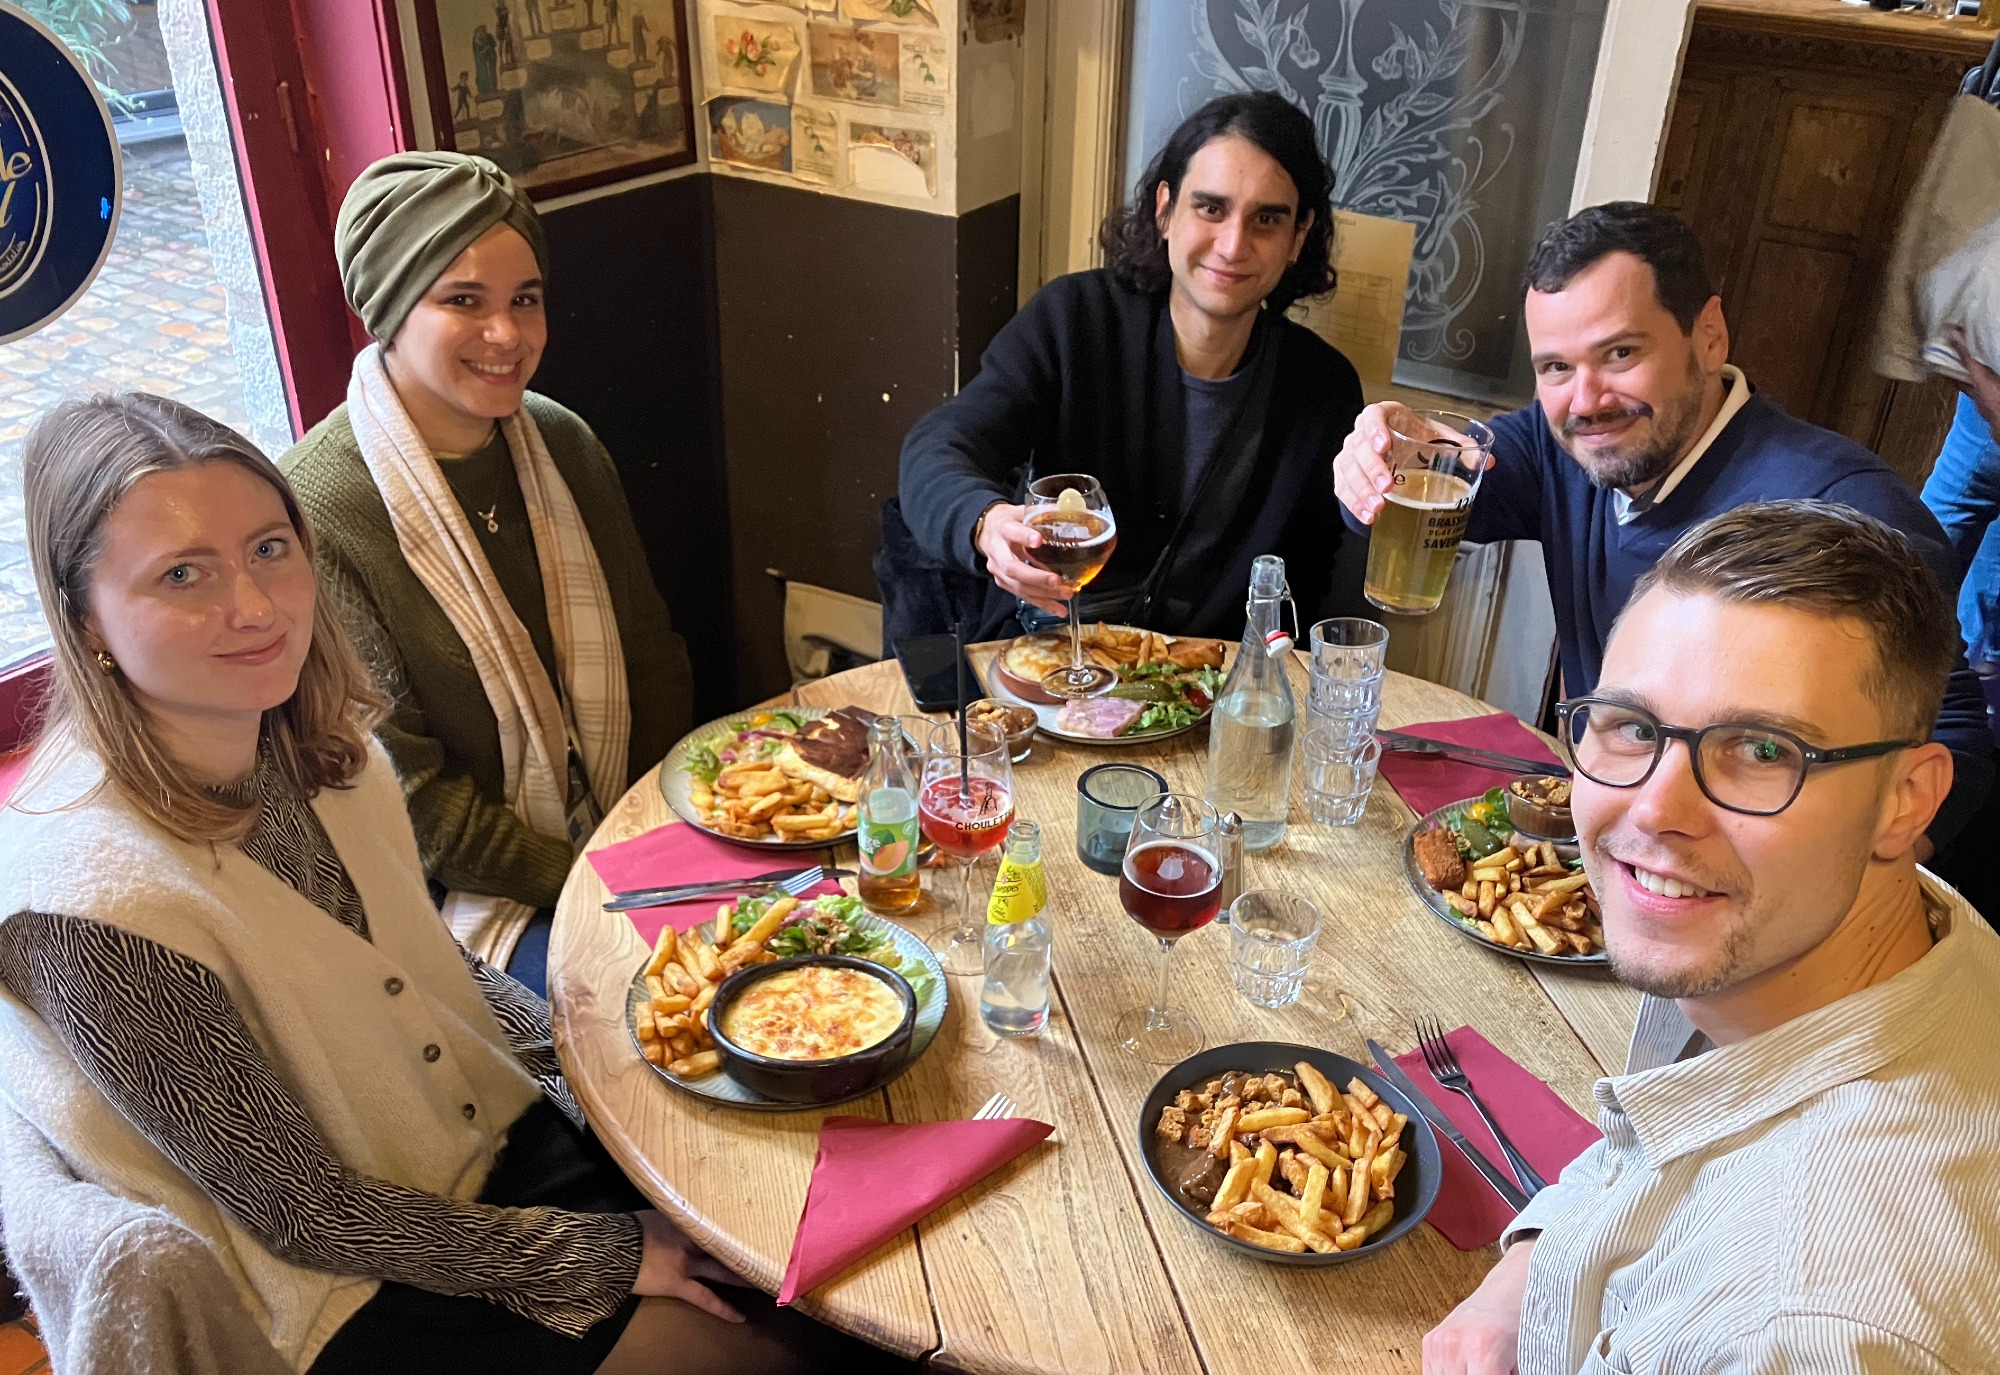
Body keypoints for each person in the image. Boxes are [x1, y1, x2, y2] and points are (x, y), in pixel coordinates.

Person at [0, 394, 899, 1374]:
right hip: (341, 1282)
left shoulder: (323, 752)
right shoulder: (92, 903)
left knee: (822, 1250)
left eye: (268, 548)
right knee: (790, 1345)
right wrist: (602, 1253)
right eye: (183, 573)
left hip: (468, 1147)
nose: (254, 606)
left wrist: (597, 1064)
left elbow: (431, 964)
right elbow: (302, 1212)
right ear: (83, 618)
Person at [1423, 500, 2000, 1374]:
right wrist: (1535, 1264)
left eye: (1764, 750)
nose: (1657, 807)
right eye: (1632, 726)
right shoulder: (1863, 919)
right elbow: (1661, 1155)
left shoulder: (1801, 1326)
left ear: (1906, 800)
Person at [1334, 201, 1993, 848]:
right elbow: (1413, 502)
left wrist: (1833, 883)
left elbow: (1952, 744)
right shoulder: (1558, 448)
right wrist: (1378, 461)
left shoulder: (1845, 509)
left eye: (1620, 353)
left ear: (1709, 336)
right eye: (1556, 367)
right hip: (1606, 844)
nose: (1586, 401)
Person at [282, 152, 693, 991]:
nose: (507, 335)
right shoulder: (319, 510)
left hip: (627, 833)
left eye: (525, 300)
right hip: (466, 895)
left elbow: (652, 656)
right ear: (390, 309)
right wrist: (592, 874)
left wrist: (656, 838)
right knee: (655, 1001)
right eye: (463, 301)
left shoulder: (563, 441)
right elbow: (414, 801)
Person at [888, 91, 1363, 643]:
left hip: (1213, 681)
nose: (1233, 245)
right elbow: (939, 446)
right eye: (1211, 209)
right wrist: (985, 522)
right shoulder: (1074, 319)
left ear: (1297, 237)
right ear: (1165, 210)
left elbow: (1310, 591)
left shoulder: (1324, 388)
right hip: (1055, 656)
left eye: (1266, 219)